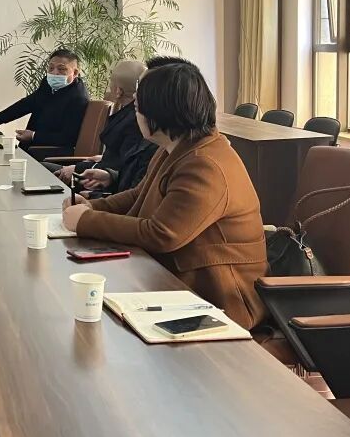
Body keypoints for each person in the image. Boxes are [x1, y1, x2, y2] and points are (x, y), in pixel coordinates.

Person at [61, 61, 268, 329]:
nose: (135, 115)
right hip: (175, 279)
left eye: (138, 108)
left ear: (159, 113)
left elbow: (163, 234)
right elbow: (139, 195)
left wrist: (86, 221)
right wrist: (91, 206)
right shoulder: (176, 147)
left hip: (219, 299)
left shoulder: (204, 164)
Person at [53, 59, 147, 188]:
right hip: (101, 170)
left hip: (101, 181)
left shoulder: (134, 121)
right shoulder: (130, 115)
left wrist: (77, 168)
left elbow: (122, 165)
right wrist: (102, 157)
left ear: (118, 91)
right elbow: (120, 155)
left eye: (110, 83)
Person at [0, 48, 89, 159]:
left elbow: (69, 138)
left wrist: (33, 136)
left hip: (50, 153)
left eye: (61, 69)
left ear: (75, 73)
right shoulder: (47, 83)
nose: (54, 73)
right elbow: (26, 104)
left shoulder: (78, 98)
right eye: (51, 68)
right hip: (30, 147)